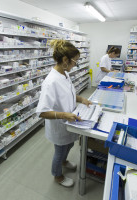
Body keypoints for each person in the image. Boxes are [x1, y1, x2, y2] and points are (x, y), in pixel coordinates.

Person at [36, 39, 92, 187]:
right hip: (60, 125)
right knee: (60, 150)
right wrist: (64, 115)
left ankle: (64, 162)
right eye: (75, 61)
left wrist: (82, 99)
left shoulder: (65, 75)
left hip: (69, 122)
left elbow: (69, 94)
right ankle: (57, 176)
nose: (76, 65)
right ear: (65, 60)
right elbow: (42, 112)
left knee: (69, 145)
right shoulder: (51, 81)